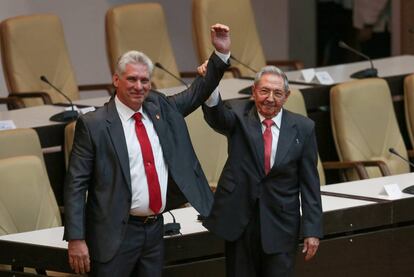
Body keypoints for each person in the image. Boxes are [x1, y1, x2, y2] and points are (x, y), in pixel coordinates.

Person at [63, 23, 231, 276]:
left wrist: (219, 55)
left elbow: (196, 93)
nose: (138, 86)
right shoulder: (94, 125)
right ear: (116, 79)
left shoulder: (160, 107)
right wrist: (76, 238)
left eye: (144, 80)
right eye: (131, 79)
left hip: (154, 232)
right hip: (114, 235)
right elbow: (76, 184)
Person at [199, 65, 323, 277]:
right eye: (264, 91)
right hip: (240, 222)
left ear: (287, 96)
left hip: (281, 223)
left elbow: (310, 183)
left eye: (277, 93)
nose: (270, 98)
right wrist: (210, 83)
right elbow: (216, 116)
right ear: (254, 91)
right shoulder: (238, 115)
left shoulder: (303, 127)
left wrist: (312, 230)